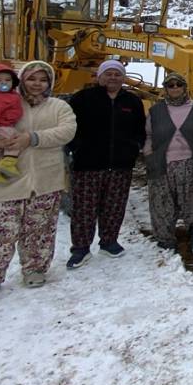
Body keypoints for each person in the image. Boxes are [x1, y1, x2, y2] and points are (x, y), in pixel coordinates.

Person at [0, 61, 77, 304]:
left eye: (43, 79)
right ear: (21, 80)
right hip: (1, 183)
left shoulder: (58, 107)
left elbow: (67, 131)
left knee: (40, 230)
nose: (37, 84)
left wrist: (32, 138)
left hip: (44, 181)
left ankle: (35, 268)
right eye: (32, 78)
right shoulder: (0, 101)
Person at [66, 59, 147, 268]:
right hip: (88, 163)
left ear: (123, 78)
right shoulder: (83, 99)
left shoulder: (132, 101)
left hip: (121, 164)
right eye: (108, 73)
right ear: (99, 76)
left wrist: (135, 146)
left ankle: (109, 241)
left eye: (117, 74)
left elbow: (140, 129)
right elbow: (68, 126)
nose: (113, 77)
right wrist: (76, 147)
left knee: (115, 205)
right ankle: (81, 248)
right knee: (84, 207)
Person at [143, 72, 193, 253]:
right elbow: (148, 135)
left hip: (191, 161)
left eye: (178, 85)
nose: (175, 88)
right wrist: (148, 152)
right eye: (170, 85)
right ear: (165, 89)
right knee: (162, 202)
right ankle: (166, 239)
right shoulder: (156, 110)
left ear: (184, 87)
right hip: (162, 163)